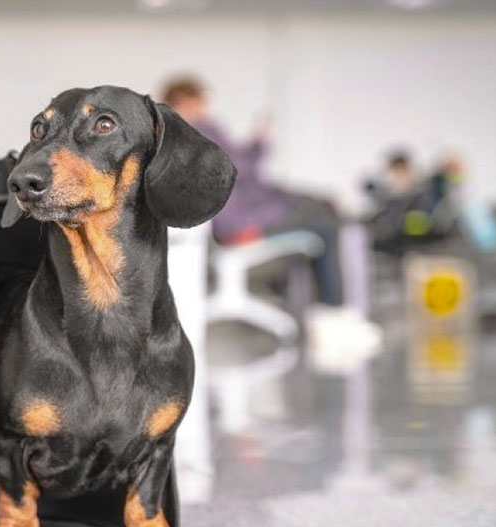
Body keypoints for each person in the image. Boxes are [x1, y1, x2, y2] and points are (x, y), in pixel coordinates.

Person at [160, 76, 379, 351]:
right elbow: (242, 168)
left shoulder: (173, 136)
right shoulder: (202, 128)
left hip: (230, 219)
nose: (206, 107)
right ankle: (333, 318)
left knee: (321, 211)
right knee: (327, 224)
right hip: (238, 224)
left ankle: (330, 314)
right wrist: (260, 143)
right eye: (201, 100)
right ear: (186, 101)